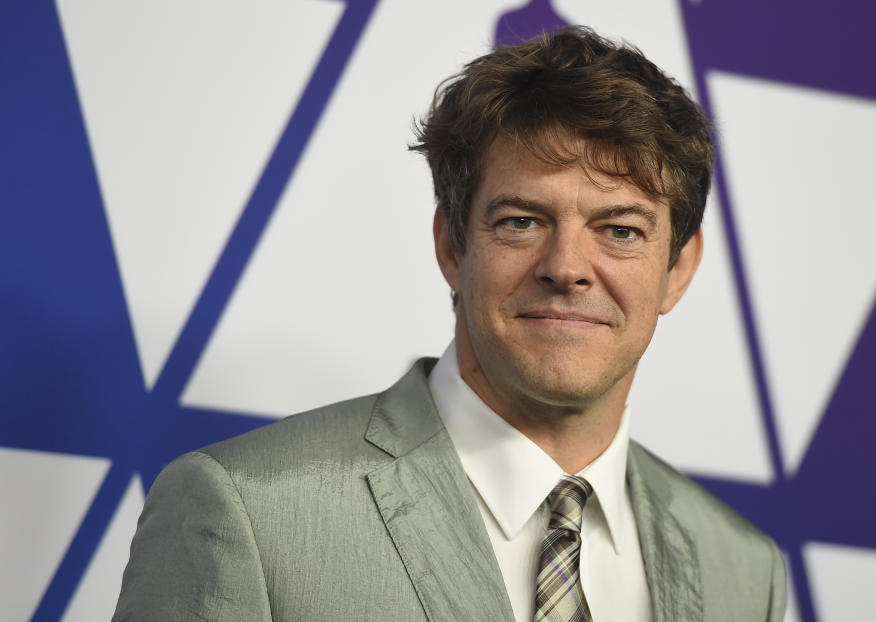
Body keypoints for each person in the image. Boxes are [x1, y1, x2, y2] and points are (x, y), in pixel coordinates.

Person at [113, 26, 786, 622]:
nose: (567, 267)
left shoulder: (745, 571)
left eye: (619, 229)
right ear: (451, 246)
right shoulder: (246, 514)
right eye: (521, 221)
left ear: (678, 269)